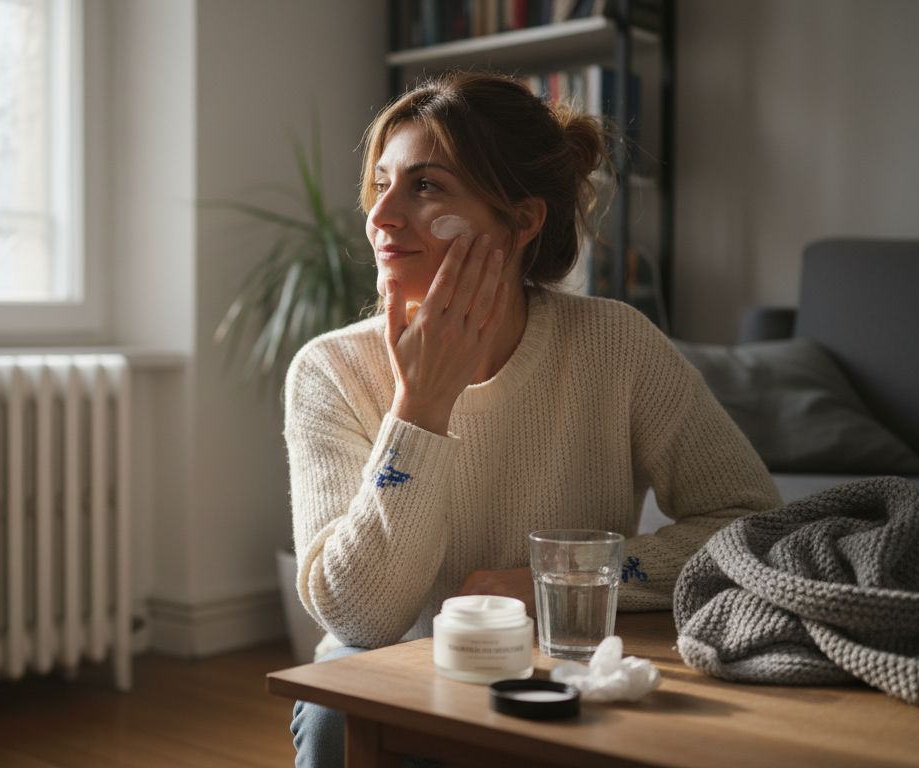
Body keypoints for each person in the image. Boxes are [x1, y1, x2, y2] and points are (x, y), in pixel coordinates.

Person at [283, 70, 781, 767]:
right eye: (383, 183)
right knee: (334, 718)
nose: (381, 216)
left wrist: (562, 581)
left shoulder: (615, 344)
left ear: (521, 220)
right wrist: (420, 409)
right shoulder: (329, 372)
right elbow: (362, 618)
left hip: (561, 658)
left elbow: (748, 524)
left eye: (425, 186)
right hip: (401, 663)